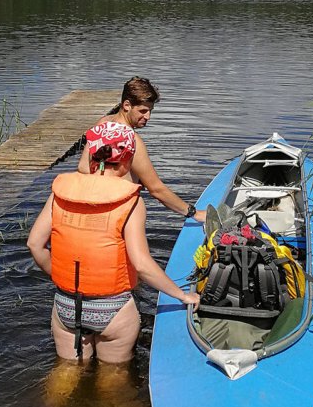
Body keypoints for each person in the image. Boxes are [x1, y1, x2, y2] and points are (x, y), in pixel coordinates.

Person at [28, 121, 200, 363]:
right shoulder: (130, 200)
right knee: (114, 385)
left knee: (64, 376)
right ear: (127, 160)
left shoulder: (60, 192)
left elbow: (35, 244)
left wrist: (59, 275)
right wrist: (183, 296)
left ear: (91, 155)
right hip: (113, 308)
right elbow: (141, 264)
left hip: (65, 304)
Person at [78, 76, 206, 224]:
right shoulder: (133, 141)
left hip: (93, 207)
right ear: (127, 105)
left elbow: (82, 167)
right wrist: (194, 213)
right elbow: (157, 190)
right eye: (143, 111)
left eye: (150, 111)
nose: (148, 117)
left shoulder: (102, 123)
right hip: (118, 214)